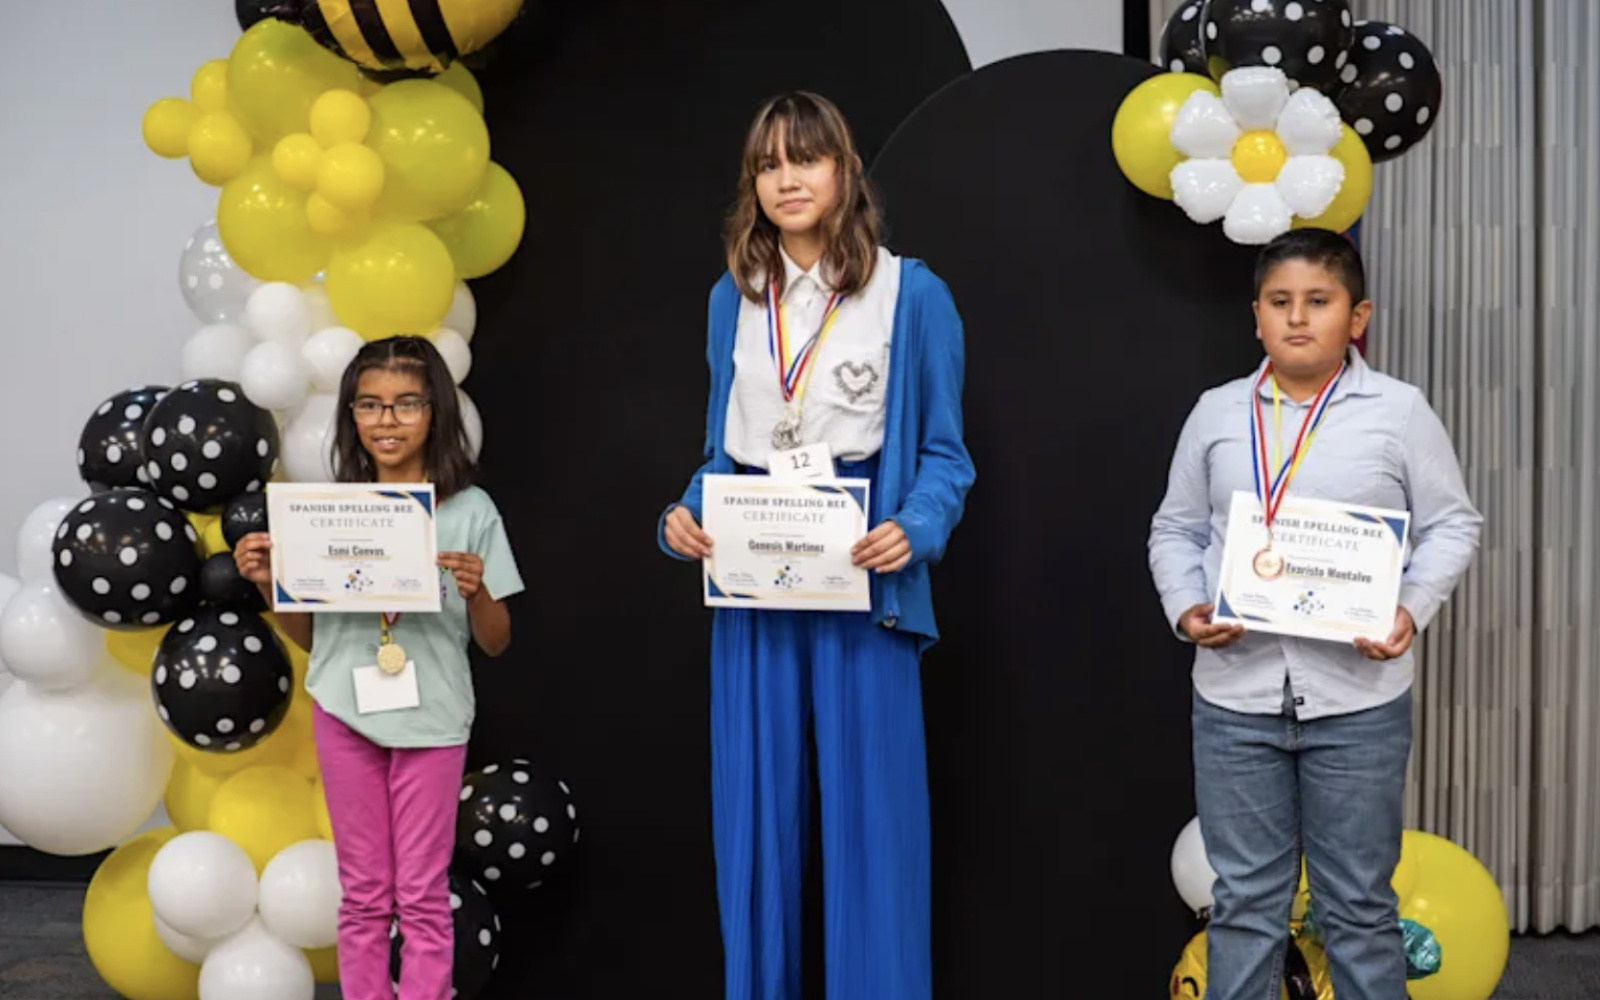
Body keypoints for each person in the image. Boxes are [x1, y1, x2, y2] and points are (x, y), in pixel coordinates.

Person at [657, 91, 975, 1000]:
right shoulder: (734, 296)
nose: (788, 179)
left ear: (844, 172)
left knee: (872, 823)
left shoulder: (912, 293)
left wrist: (914, 527)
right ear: (752, 184)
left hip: (862, 569)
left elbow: (948, 456)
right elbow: (725, 450)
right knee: (755, 820)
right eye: (768, 165)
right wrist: (684, 515)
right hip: (754, 564)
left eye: (807, 160)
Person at [1148, 228, 1482, 1000]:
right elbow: (1175, 528)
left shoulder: (1398, 413)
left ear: (1356, 317)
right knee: (1243, 908)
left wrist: (1410, 609)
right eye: (1280, 302)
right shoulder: (1217, 413)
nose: (1298, 318)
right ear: (1256, 316)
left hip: (1358, 700)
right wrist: (1187, 608)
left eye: (1319, 301)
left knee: (1359, 908)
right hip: (1236, 696)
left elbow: (1454, 523)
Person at [235, 335, 524, 1000]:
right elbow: (311, 639)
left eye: (405, 404)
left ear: (436, 413)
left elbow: (498, 641)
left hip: (434, 717)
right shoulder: (326, 514)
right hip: (344, 710)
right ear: (350, 416)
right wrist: (270, 583)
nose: (386, 421)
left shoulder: (472, 511)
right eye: (369, 404)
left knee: (422, 892)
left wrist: (477, 591)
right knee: (364, 890)